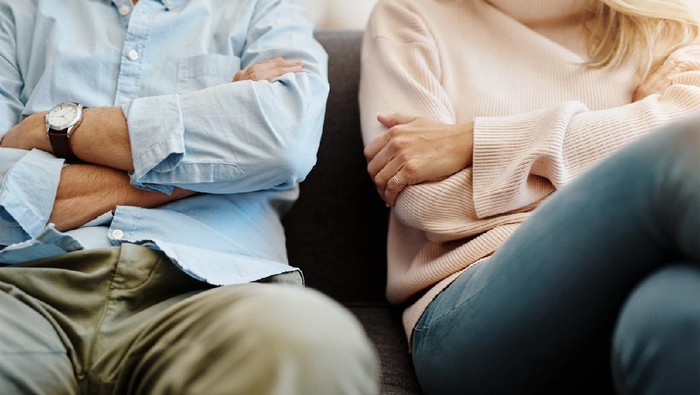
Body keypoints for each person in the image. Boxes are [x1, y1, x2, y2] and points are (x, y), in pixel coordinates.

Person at [0, 0, 379, 394]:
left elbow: (284, 141)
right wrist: (217, 153)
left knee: (314, 342)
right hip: (26, 284)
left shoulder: (266, 8)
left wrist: (54, 129)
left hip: (213, 291)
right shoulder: (14, 11)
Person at [359, 0, 700, 393]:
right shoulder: (411, 15)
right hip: (475, 309)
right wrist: (614, 146)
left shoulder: (660, 21)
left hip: (638, 282)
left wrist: (476, 142)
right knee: (674, 152)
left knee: (680, 313)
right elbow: (429, 203)